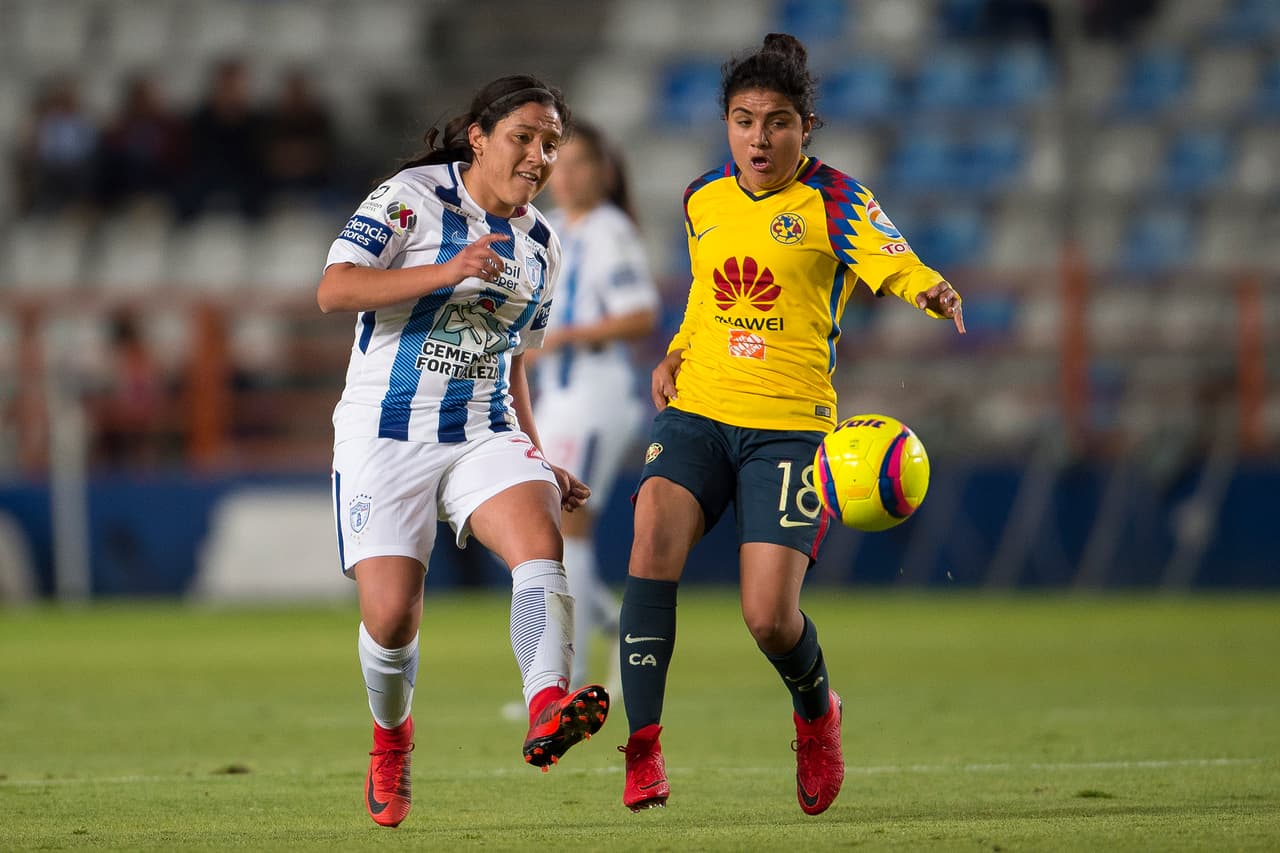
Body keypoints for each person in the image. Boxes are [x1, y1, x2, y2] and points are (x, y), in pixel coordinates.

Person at [614, 34, 966, 817]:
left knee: (769, 617)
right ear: (725, 125)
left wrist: (931, 289)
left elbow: (891, 255)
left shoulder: (836, 198)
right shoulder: (702, 198)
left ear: (808, 127)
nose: (758, 139)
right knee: (649, 536)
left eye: (777, 122)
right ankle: (642, 750)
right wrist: (675, 349)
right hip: (701, 409)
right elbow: (707, 294)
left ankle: (818, 715)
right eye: (743, 121)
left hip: (789, 429)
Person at [317, 75, 609, 829]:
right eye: (524, 136)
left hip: (483, 427)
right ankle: (392, 740)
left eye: (550, 143)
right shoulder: (412, 196)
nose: (539, 155)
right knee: (389, 619)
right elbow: (335, 287)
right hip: (386, 434)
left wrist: (539, 455)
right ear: (479, 137)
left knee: (540, 537)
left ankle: (547, 702)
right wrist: (446, 270)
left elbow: (515, 355)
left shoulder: (542, 242)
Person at [532, 121, 660, 694]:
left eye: (581, 162)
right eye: (560, 160)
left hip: (594, 396)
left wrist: (565, 336)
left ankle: (569, 680)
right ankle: (611, 624)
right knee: (537, 529)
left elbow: (640, 314)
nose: (567, 174)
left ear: (602, 172)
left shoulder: (609, 230)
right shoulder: (550, 228)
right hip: (554, 399)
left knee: (563, 531)